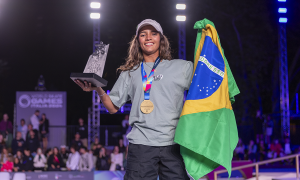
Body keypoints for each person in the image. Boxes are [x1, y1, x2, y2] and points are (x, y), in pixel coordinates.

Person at [74, 19, 193, 179]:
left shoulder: (182, 67)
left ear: (161, 38)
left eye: (153, 33)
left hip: (174, 145)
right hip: (141, 146)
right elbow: (112, 107)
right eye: (143, 34)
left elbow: (206, 90)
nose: (148, 37)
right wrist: (97, 88)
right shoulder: (130, 73)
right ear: (138, 41)